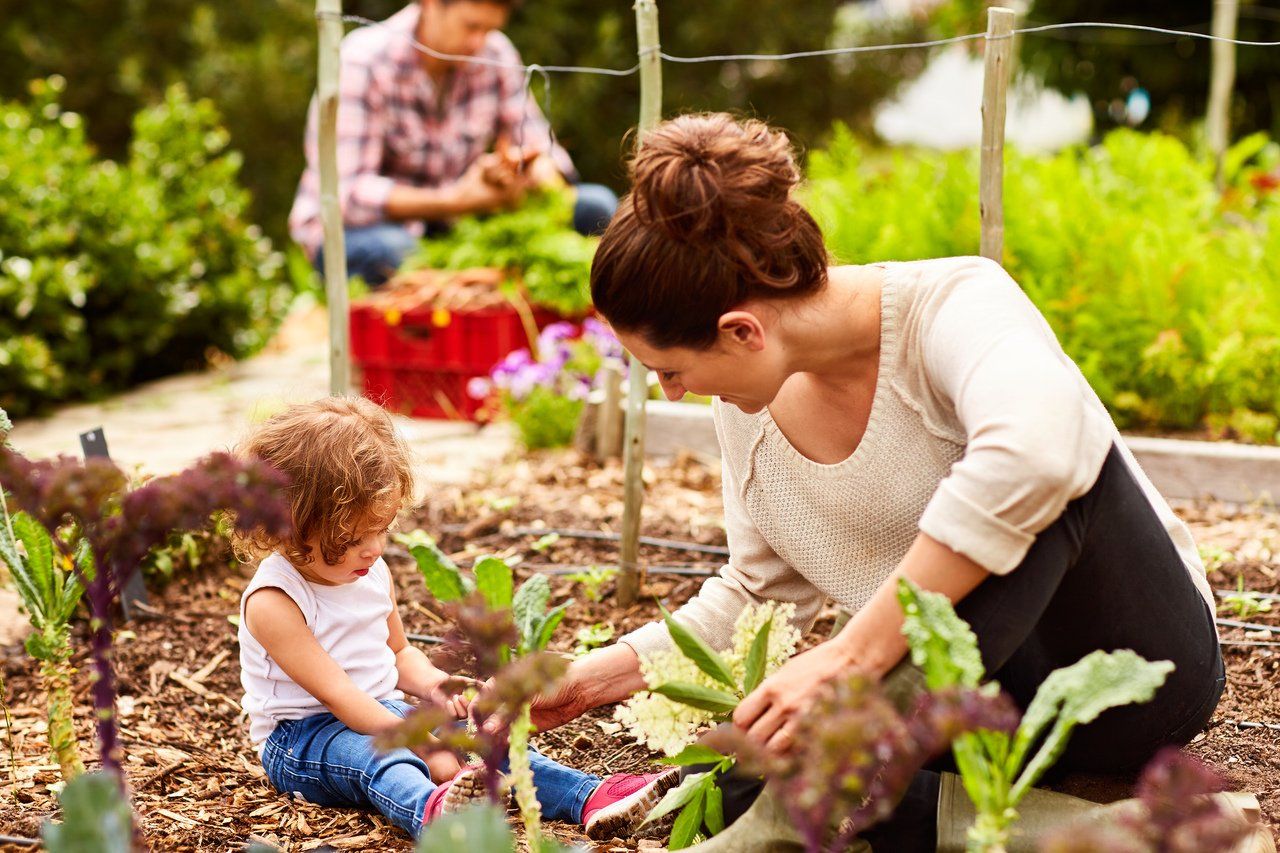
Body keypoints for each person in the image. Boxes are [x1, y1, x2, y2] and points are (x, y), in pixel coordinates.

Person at [530, 113, 1224, 849]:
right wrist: (594, 676)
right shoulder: (748, 403)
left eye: (671, 369)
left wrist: (849, 655)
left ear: (742, 330)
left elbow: (1041, 457)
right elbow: (760, 591)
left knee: (1044, 475)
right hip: (974, 709)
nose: (671, 393)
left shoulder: (956, 304)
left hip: (1133, 677)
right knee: (749, 779)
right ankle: (1166, 833)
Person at [233, 396, 677, 840]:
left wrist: (434, 687)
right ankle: (432, 814)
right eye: (350, 538)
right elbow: (340, 696)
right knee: (382, 757)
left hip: (381, 712)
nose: (373, 549)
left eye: (381, 530)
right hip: (303, 739)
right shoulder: (275, 601)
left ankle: (592, 796)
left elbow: (399, 653)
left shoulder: (370, 572)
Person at [288, 0, 619, 286]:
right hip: (361, 230)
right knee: (398, 251)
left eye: (488, 29)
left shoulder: (495, 51)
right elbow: (348, 195)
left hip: (460, 223)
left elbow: (539, 143)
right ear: (431, 4)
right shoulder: (363, 60)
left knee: (597, 207)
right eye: (470, 26)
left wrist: (532, 173)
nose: (478, 42)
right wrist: (456, 200)